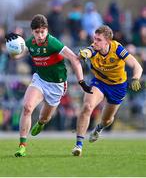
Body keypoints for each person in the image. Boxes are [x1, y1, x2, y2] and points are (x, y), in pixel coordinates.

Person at [5, 14, 92, 157]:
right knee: (27, 107)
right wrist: (13, 46)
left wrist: (81, 82)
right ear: (32, 32)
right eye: (36, 32)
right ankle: (22, 146)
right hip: (40, 80)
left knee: (44, 118)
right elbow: (17, 55)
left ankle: (40, 123)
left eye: (42, 31)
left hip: (57, 85)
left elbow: (74, 59)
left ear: (47, 30)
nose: (39, 35)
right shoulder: (30, 43)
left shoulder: (53, 43)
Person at [72, 25, 143, 156]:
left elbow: (136, 65)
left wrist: (135, 78)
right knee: (87, 106)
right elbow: (87, 52)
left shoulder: (117, 49)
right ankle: (78, 145)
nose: (95, 42)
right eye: (94, 38)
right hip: (100, 83)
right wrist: (82, 55)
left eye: (98, 40)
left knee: (107, 120)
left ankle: (98, 128)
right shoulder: (93, 49)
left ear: (107, 42)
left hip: (118, 86)